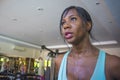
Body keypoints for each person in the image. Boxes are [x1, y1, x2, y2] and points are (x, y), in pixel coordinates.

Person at [54, 6, 120, 80]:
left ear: (88, 25)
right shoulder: (59, 61)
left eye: (73, 19)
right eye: (63, 23)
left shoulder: (113, 63)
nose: (65, 26)